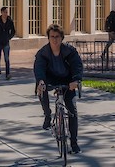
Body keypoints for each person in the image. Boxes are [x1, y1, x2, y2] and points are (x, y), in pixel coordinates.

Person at [34, 24, 83, 154]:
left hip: (67, 81)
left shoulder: (69, 51)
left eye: (57, 37)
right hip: (50, 79)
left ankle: (74, 143)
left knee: (72, 110)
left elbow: (77, 65)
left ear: (62, 38)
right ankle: (47, 115)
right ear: (48, 38)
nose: (54, 39)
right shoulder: (43, 53)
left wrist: (76, 80)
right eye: (52, 37)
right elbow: (39, 68)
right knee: (41, 89)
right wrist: (41, 81)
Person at [0, 7, 15, 79]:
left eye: (7, 12)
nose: (6, 14)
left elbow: (13, 31)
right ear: (2, 12)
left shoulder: (9, 21)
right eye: (5, 12)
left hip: (6, 43)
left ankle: (8, 74)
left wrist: (9, 37)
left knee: (7, 58)